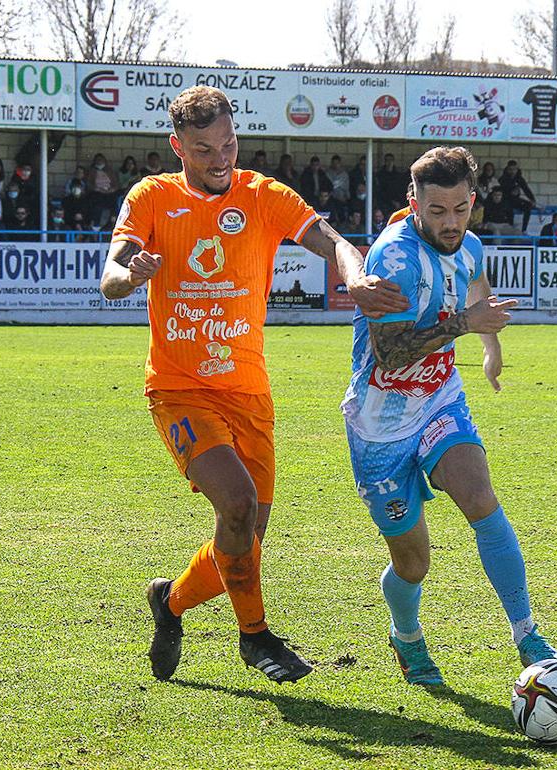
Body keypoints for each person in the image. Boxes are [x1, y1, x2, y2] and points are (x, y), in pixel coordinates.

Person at [99, 85, 407, 684]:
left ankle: (171, 601)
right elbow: (111, 274)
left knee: (245, 535)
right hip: (179, 388)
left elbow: (335, 243)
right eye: (205, 148)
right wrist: (130, 274)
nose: (221, 158)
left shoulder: (263, 196)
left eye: (229, 143)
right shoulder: (152, 199)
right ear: (177, 147)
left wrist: (357, 279)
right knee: (235, 506)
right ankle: (255, 637)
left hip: (249, 391)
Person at [341, 145, 557, 685]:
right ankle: (407, 635)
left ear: (473, 202)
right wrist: (468, 325)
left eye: (461, 210)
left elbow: (477, 284)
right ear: (412, 201)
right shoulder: (392, 259)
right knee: (413, 563)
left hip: (440, 398)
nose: (451, 223)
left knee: (480, 497)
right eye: (437, 211)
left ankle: (528, 634)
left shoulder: (470, 245)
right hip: (380, 425)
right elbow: (391, 354)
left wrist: (491, 346)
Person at [497, 160, 536, 232]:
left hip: (515, 200)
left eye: (514, 169)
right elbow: (500, 192)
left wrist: (533, 200)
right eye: (510, 169)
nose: (512, 171)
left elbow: (526, 189)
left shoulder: (519, 178)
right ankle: (510, 230)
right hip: (505, 200)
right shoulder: (503, 179)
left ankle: (524, 230)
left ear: (517, 169)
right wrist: (511, 191)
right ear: (507, 169)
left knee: (528, 206)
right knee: (509, 210)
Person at [85, 153, 118, 226]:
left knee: (113, 200)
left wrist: (112, 189)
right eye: (98, 160)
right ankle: (95, 223)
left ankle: (112, 220)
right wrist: (96, 189)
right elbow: (88, 183)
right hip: (97, 192)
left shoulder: (109, 170)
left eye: (101, 159)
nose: (99, 161)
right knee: (96, 203)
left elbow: (115, 184)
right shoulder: (91, 171)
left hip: (109, 192)